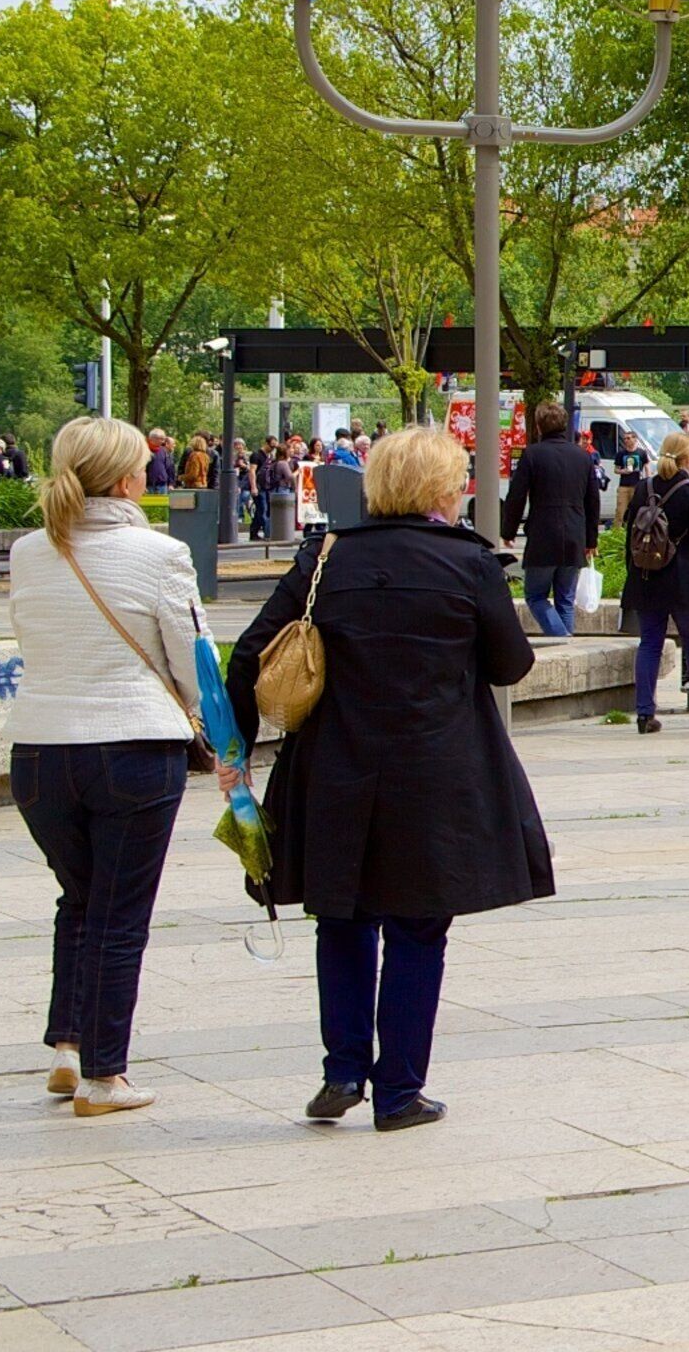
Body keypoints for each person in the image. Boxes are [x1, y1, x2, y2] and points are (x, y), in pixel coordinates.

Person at [229, 425, 554, 1130]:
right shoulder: (468, 564)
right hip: (435, 772)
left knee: (341, 916)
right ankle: (400, 1091)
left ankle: (342, 1070)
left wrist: (237, 754)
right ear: (443, 488)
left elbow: (251, 654)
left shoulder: (326, 555)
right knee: (417, 925)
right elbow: (511, 665)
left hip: (333, 768)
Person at [4, 416, 204, 1116]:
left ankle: (67, 1047)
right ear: (125, 479)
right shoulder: (161, 553)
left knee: (80, 899)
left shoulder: (30, 551)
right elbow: (192, 658)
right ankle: (104, 1075)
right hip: (132, 749)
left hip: (38, 752)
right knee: (120, 915)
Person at [619, 431, 689, 732]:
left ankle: (645, 713)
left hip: (648, 576)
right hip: (684, 579)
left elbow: (630, 531)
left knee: (650, 643)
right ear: (687, 458)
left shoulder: (644, 487)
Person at [497, 408, 599, 643]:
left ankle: (563, 639)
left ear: (539, 427)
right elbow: (592, 501)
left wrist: (508, 531)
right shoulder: (582, 456)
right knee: (565, 599)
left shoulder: (533, 455)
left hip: (543, 535)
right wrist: (591, 539)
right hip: (575, 535)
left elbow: (517, 496)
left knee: (535, 596)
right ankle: (567, 644)